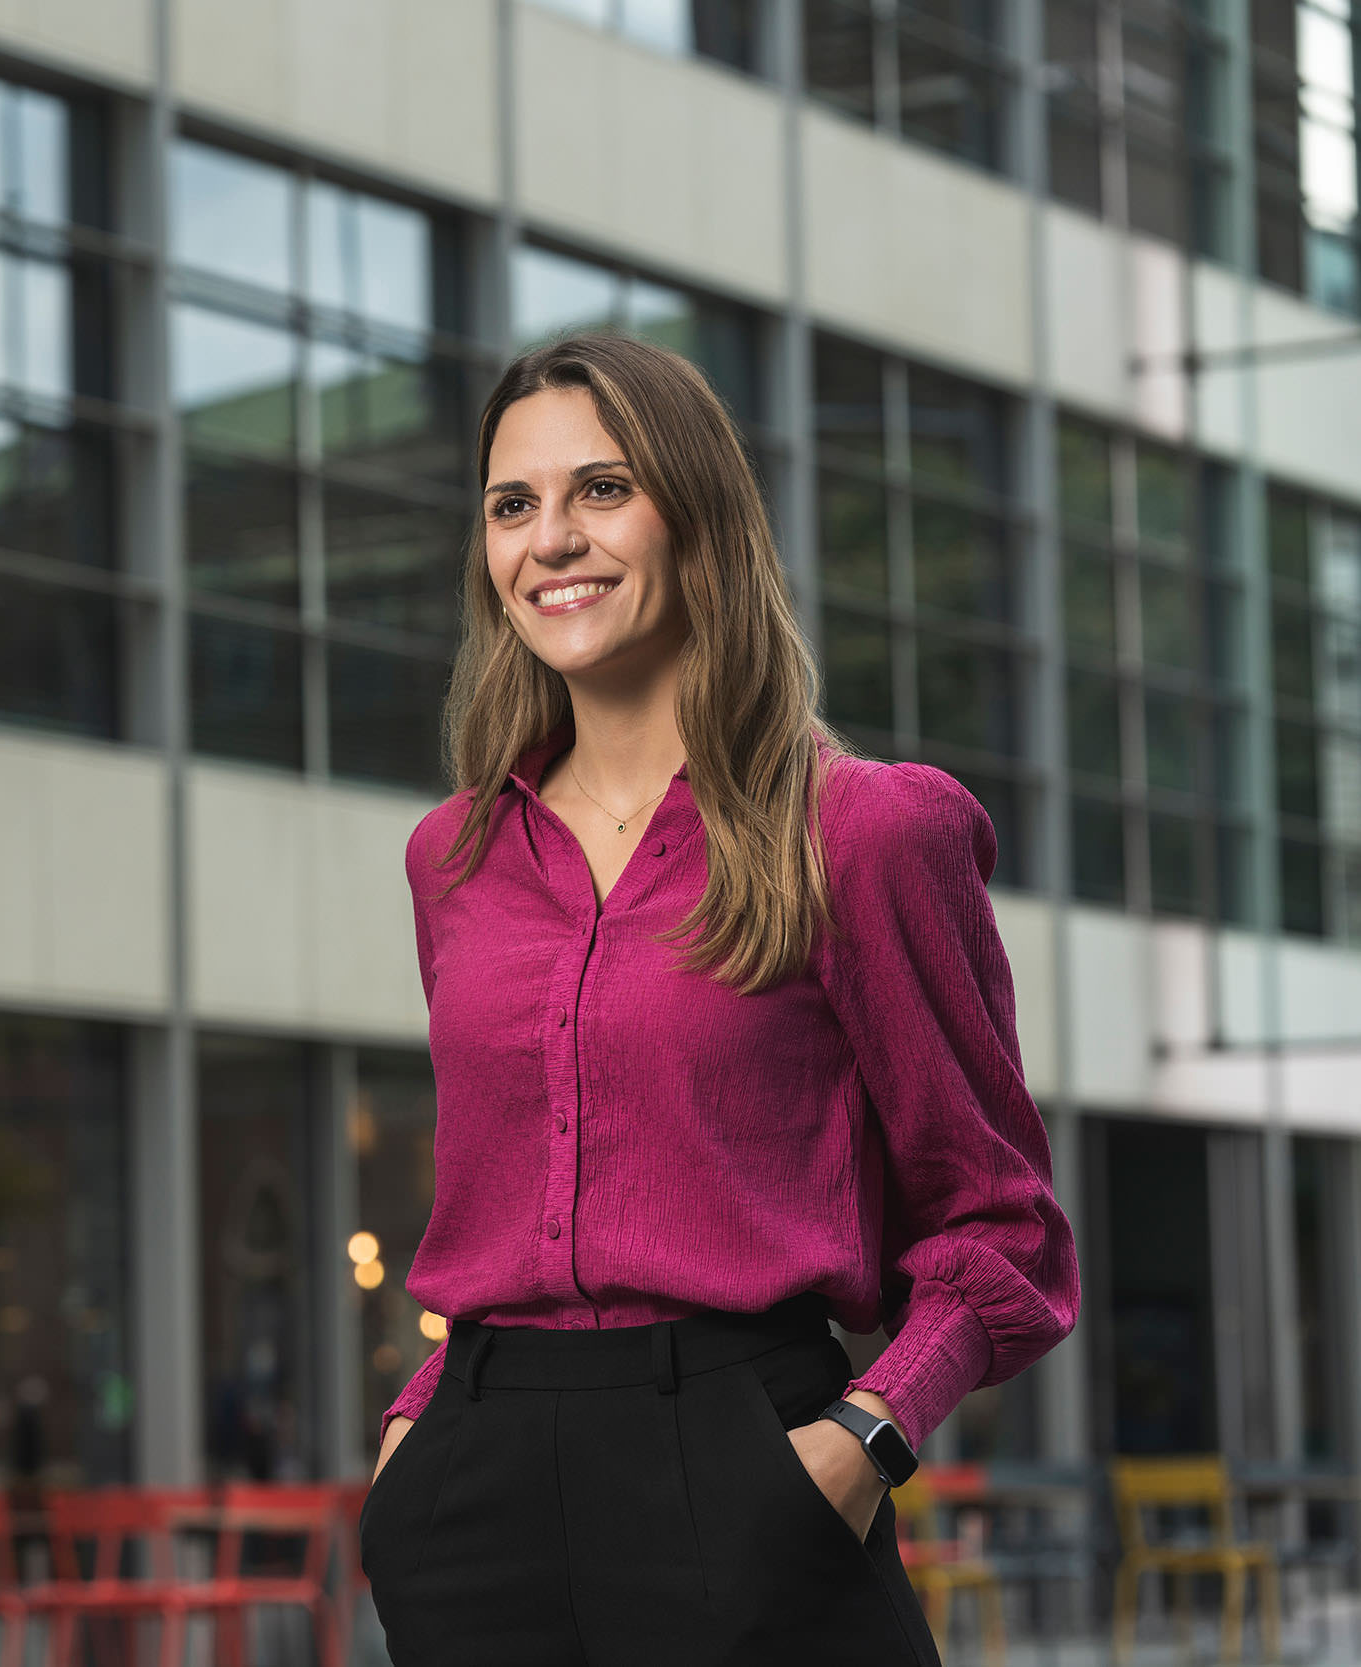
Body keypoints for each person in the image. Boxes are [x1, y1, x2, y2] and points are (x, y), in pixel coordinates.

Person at [357, 334, 1078, 1666]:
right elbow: (492, 1203)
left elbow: (1004, 1230)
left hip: (751, 1468)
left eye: (603, 490)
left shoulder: (859, 835)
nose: (552, 540)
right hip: (476, 1495)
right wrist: (418, 1434)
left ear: (697, 519)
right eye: (513, 506)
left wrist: (864, 1437)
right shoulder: (453, 860)